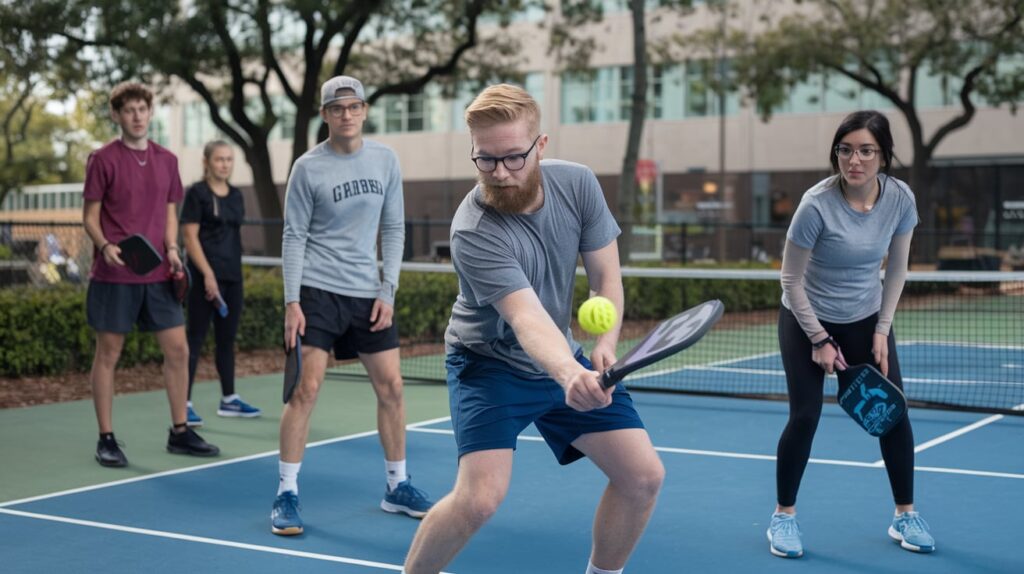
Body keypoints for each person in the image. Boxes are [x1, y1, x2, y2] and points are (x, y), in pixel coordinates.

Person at [403, 84, 665, 574]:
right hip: (489, 364)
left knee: (643, 476)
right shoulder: (472, 230)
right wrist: (570, 374)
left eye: (513, 158)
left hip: (561, 356)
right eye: (485, 160)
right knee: (479, 500)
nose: (500, 173)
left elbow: (606, 278)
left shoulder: (579, 184)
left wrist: (605, 344)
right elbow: (526, 318)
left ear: (540, 145)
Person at [271, 75, 434, 536]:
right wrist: (292, 301)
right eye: (338, 108)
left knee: (394, 388)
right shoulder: (307, 168)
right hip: (317, 293)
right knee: (305, 390)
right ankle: (286, 493)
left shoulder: (385, 159)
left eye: (355, 106)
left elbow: (395, 228)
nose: (347, 114)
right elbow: (294, 236)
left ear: (364, 111)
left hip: (368, 294)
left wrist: (388, 290)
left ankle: (396, 487)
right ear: (325, 115)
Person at [768, 110, 934, 558]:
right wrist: (820, 340)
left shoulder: (900, 199)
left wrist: (882, 329)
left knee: (893, 412)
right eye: (846, 150)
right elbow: (790, 281)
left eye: (865, 150)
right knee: (805, 416)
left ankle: (905, 514)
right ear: (836, 154)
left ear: (883, 155)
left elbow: (897, 267)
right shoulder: (815, 205)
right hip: (806, 317)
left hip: (865, 316)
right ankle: (783, 517)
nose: (854, 159)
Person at [82, 81, 220, 467]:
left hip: (159, 275)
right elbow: (89, 218)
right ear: (116, 115)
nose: (137, 116)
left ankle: (180, 432)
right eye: (129, 110)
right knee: (108, 353)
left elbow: (170, 214)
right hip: (114, 276)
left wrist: (173, 250)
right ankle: (106, 438)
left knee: (178, 350)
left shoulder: (167, 161)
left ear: (150, 112)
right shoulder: (102, 159)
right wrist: (106, 246)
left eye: (143, 109)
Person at [180, 140, 261, 426]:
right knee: (194, 340)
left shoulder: (237, 195)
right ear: (207, 162)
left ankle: (229, 400)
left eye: (229, 159)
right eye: (219, 159)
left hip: (232, 278)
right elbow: (189, 238)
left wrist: (228, 275)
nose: (224, 164)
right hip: (204, 280)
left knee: (227, 340)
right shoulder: (196, 194)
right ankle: (183, 404)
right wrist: (208, 275)